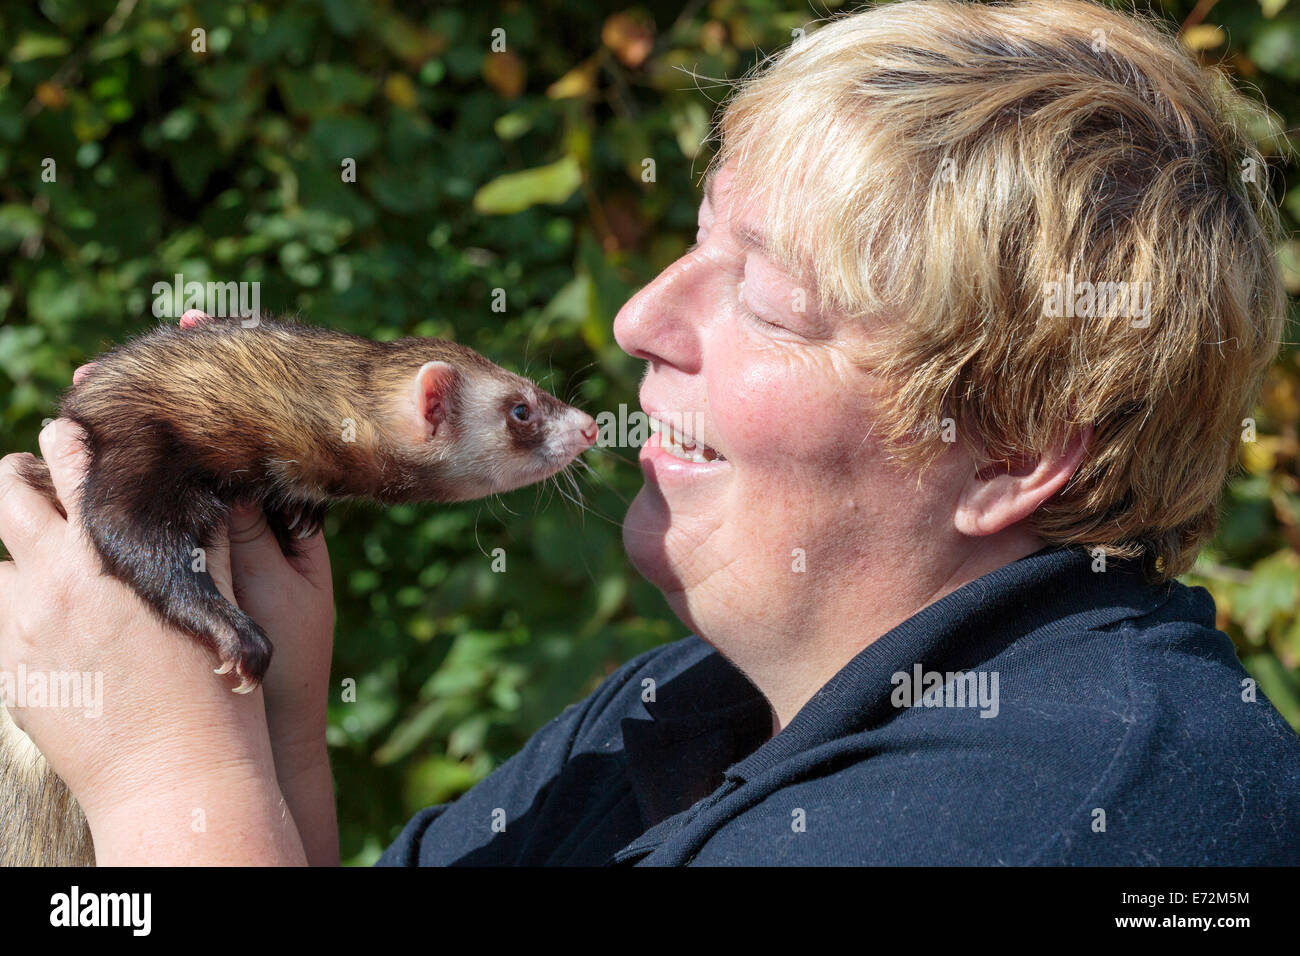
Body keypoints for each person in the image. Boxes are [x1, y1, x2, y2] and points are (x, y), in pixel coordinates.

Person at [2, 0, 1297, 865]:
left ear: (1016, 450)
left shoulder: (1050, 813)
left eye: (773, 300)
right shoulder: (694, 710)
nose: (635, 319)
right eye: (695, 237)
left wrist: (168, 780)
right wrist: (267, 709)